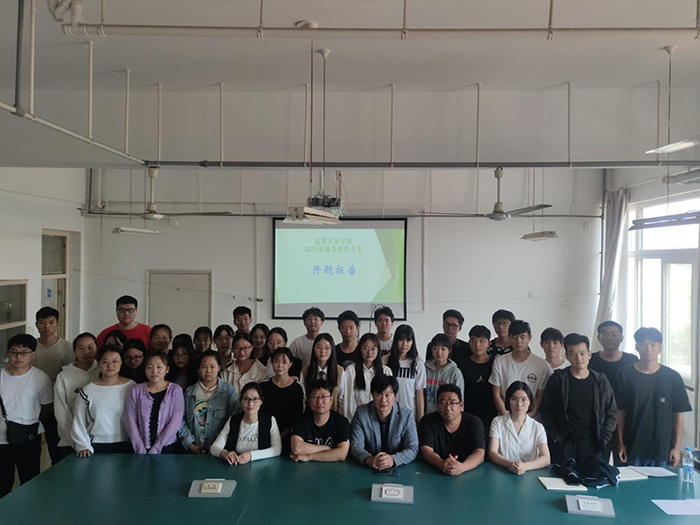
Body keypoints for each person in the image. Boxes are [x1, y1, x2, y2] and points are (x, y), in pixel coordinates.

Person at [614, 327, 692, 467]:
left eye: (653, 344)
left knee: (662, 482)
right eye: (643, 344)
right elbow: (620, 412)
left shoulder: (672, 377)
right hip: (631, 447)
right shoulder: (624, 375)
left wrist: (676, 447)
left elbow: (678, 413)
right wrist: (620, 443)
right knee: (630, 481)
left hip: (662, 449)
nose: (648, 349)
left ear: (660, 347)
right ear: (637, 347)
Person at [540, 333, 617, 464]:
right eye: (573, 354)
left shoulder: (600, 381)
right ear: (567, 356)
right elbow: (546, 410)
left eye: (582, 353)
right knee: (564, 476)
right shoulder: (558, 379)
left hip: (594, 444)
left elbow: (612, 412)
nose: (578, 358)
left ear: (589, 354)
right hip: (565, 443)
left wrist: (604, 438)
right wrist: (556, 437)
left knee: (595, 476)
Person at [0, 334, 53, 498]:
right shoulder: (0, 376)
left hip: (28, 436)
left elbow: (46, 407)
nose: (19, 357)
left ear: (32, 354)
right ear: (7, 353)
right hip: (1, 440)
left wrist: (32, 423)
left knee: (30, 482)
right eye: (14, 352)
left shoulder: (41, 378)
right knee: (2, 484)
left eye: (24, 352)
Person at [71, 345, 135, 456]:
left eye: (115, 361)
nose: (110, 366)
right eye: (105, 362)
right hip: (96, 444)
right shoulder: (88, 391)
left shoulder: (132, 387)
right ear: (99, 363)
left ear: (121, 362)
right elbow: (79, 421)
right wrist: (83, 445)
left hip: (127, 443)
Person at [350, 375, 419, 469]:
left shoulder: (406, 416)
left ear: (394, 396)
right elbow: (355, 445)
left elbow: (413, 448)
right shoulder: (361, 413)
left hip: (398, 469)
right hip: (368, 468)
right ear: (373, 395)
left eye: (387, 395)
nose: (383, 400)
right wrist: (369, 459)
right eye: (379, 394)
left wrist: (393, 459)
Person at [32, 307, 73, 465]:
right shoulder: (32, 347)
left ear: (58, 324)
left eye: (51, 322)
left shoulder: (67, 347)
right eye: (42, 322)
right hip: (34, 402)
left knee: (55, 444)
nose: (47, 327)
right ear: (36, 324)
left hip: (57, 403)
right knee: (32, 448)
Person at [178, 350, 239, 455]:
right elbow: (180, 420)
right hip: (193, 449)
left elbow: (233, 420)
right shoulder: (189, 392)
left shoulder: (228, 391)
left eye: (212, 367)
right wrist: (189, 444)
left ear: (219, 367)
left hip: (220, 449)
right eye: (204, 367)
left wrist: (217, 445)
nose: (208, 371)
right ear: (199, 369)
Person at [123, 352, 185, 454]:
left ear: (167, 369)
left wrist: (157, 447)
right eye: (149, 367)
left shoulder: (175, 390)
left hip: (167, 446)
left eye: (159, 367)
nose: (154, 371)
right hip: (139, 448)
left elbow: (175, 421)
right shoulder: (135, 390)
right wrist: (140, 448)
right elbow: (129, 419)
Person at [419, 384, 485, 476]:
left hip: (468, 473)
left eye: (452, 403)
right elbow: (426, 451)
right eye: (443, 402)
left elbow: (479, 453)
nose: (448, 408)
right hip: (434, 472)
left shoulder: (474, 422)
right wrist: (441, 464)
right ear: (437, 405)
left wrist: (462, 467)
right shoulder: (428, 421)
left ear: (461, 405)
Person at [489, 320, 551, 418]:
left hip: (532, 419)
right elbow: (496, 394)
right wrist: (507, 416)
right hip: (505, 418)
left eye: (522, 337)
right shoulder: (499, 362)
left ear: (530, 338)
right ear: (509, 337)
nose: (518, 341)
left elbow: (540, 397)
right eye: (514, 337)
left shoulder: (541, 365)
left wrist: (527, 418)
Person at [54, 333, 100, 460]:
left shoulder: (102, 370)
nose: (86, 352)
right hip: (70, 441)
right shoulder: (63, 376)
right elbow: (61, 413)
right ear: (74, 350)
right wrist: (77, 442)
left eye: (90, 347)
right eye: (80, 348)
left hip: (98, 439)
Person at [210, 382, 282, 464]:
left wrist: (251, 455)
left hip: (262, 467)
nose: (250, 404)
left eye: (255, 399)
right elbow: (214, 447)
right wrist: (224, 453)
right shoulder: (233, 420)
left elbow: (277, 450)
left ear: (261, 401)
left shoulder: (269, 420)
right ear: (241, 401)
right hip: (235, 466)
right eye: (246, 399)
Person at [488, 381, 550, 474]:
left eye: (524, 400)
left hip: (530, 474)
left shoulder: (537, 427)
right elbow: (492, 452)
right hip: (502, 472)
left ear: (529, 402)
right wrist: (510, 464)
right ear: (508, 400)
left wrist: (525, 466)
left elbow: (546, 459)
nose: (519, 404)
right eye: (514, 399)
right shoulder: (497, 422)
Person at [290, 379, 350, 462]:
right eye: (315, 397)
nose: (319, 401)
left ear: (331, 400)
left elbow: (342, 454)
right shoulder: (302, 420)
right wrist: (326, 448)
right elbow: (297, 448)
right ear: (309, 401)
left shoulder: (341, 422)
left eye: (324, 396)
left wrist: (309, 456)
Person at [259, 348, 305, 455]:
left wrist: (284, 433)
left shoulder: (297, 388)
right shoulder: (263, 386)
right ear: (272, 363)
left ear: (290, 364)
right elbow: (260, 412)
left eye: (284, 362)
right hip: (266, 434)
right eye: (276, 361)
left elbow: (298, 414)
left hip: (290, 436)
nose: (280, 365)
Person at [338, 333, 393, 421]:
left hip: (379, 420)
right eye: (365, 348)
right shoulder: (351, 370)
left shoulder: (386, 371)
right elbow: (348, 399)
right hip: (356, 420)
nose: (369, 352)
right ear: (360, 349)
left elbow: (389, 399)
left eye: (373, 349)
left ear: (378, 350)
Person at [461, 325, 497, 432]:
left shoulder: (496, 364)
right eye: (474, 340)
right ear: (469, 342)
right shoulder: (462, 364)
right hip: (468, 416)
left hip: (491, 417)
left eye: (482, 341)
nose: (477, 345)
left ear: (489, 343)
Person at [386, 325, 426, 421]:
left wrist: (420, 420)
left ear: (412, 342)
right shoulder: (385, 361)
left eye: (408, 340)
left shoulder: (418, 363)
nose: (404, 344)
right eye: (401, 340)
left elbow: (419, 393)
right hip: (388, 414)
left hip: (410, 414)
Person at [301, 333, 344, 411]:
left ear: (332, 350)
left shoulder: (340, 372)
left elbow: (342, 400)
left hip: (333, 415)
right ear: (314, 349)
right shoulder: (305, 372)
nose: (323, 351)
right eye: (319, 347)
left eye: (327, 348)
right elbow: (303, 399)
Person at [424, 334, 465, 415]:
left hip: (447, 416)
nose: (439, 352)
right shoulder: (424, 369)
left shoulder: (455, 373)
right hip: (427, 415)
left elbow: (459, 400)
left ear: (449, 350)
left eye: (443, 349)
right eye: (435, 348)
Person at [590, 321, 639, 385]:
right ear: (599, 338)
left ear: (621, 338)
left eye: (614, 334)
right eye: (605, 334)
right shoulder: (590, 360)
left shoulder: (632, 360)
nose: (609, 338)